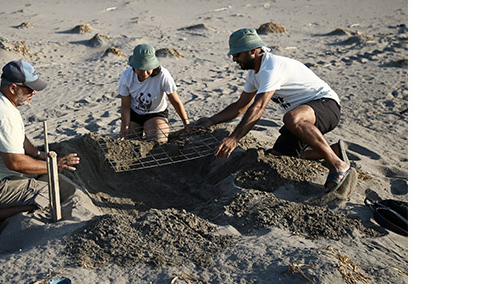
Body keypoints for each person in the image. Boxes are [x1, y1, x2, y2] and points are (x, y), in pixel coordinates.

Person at [190, 28, 350, 192]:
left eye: (237, 54)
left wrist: (234, 138)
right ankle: (334, 151)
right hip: (304, 117)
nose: (234, 59)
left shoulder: (271, 67)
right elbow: (240, 106)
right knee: (280, 156)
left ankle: (337, 165)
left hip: (326, 105)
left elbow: (259, 106)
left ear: (253, 51)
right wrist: (211, 120)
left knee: (292, 119)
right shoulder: (254, 75)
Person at [0, 60, 82, 241]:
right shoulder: (4, 114)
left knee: (48, 179)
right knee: (51, 195)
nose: (34, 92)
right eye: (29, 88)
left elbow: (19, 139)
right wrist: (53, 165)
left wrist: (37, 155)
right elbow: (15, 163)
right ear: (13, 88)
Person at [117, 43, 189, 142]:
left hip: (156, 113)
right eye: (140, 69)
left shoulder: (163, 75)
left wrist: (186, 122)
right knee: (128, 142)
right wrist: (125, 130)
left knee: (157, 142)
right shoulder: (126, 75)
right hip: (134, 113)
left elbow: (175, 101)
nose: (144, 73)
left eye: (147, 69)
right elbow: (125, 106)